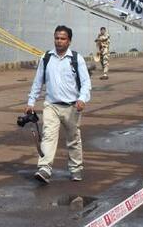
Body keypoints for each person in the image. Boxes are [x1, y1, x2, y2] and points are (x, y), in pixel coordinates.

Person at [25, 25, 91, 184]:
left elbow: (86, 82)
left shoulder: (76, 59)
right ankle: (45, 169)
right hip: (51, 105)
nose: (59, 41)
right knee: (48, 136)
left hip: (72, 107)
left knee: (73, 139)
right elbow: (38, 81)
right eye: (57, 38)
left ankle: (76, 169)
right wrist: (31, 102)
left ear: (69, 41)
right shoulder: (46, 58)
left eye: (62, 39)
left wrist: (82, 99)